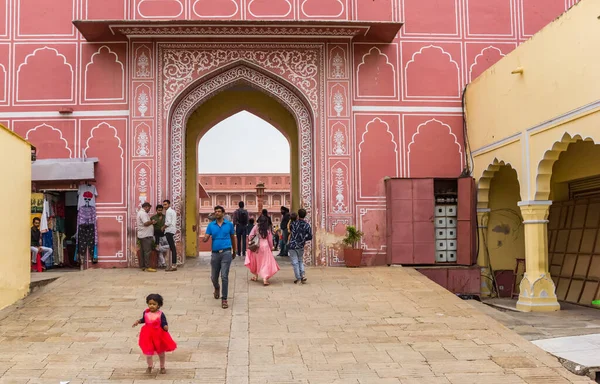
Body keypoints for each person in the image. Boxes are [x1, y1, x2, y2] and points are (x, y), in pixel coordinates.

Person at [132, 293, 177, 375]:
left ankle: (162, 366)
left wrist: (165, 326)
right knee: (148, 352)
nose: (151, 306)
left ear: (159, 305)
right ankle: (150, 366)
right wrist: (138, 321)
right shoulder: (146, 313)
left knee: (161, 352)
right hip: (147, 335)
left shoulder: (160, 314)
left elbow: (164, 322)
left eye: (154, 304)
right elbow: (144, 319)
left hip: (158, 335)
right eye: (150, 304)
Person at [203, 205, 237, 309]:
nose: (217, 213)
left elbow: (233, 237)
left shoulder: (229, 225)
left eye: (219, 211)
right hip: (215, 253)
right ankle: (216, 287)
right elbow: (206, 237)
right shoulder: (211, 225)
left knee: (224, 276)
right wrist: (205, 239)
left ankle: (224, 299)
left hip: (226, 251)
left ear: (223, 213)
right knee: (214, 277)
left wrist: (234, 250)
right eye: (215, 211)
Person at [245, 215, 280, 286]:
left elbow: (250, 236)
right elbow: (270, 240)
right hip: (265, 245)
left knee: (256, 261)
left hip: (257, 246)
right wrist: (271, 248)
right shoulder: (267, 229)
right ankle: (265, 278)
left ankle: (255, 276)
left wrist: (254, 239)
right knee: (265, 262)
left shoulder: (256, 227)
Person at [288, 209, 312, 284]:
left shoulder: (293, 224)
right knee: (300, 260)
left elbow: (291, 231)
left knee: (295, 262)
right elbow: (310, 236)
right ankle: (303, 275)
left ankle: (298, 278)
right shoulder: (307, 225)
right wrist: (304, 239)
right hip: (301, 245)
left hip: (292, 244)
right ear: (305, 215)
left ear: (298, 215)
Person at [137, 202, 156, 272]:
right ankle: (148, 266)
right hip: (146, 235)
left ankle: (143, 266)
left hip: (142, 235)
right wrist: (152, 222)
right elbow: (145, 223)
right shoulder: (143, 213)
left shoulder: (140, 213)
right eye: (149, 208)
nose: (149, 210)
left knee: (142, 251)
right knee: (147, 251)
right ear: (146, 207)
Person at [162, 200, 178, 272]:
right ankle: (173, 264)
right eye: (164, 205)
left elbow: (168, 222)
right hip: (172, 230)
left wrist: (163, 227)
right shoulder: (173, 211)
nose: (164, 206)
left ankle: (173, 265)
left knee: (172, 248)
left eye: (165, 204)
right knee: (172, 248)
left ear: (169, 204)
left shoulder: (168, 211)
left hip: (169, 230)